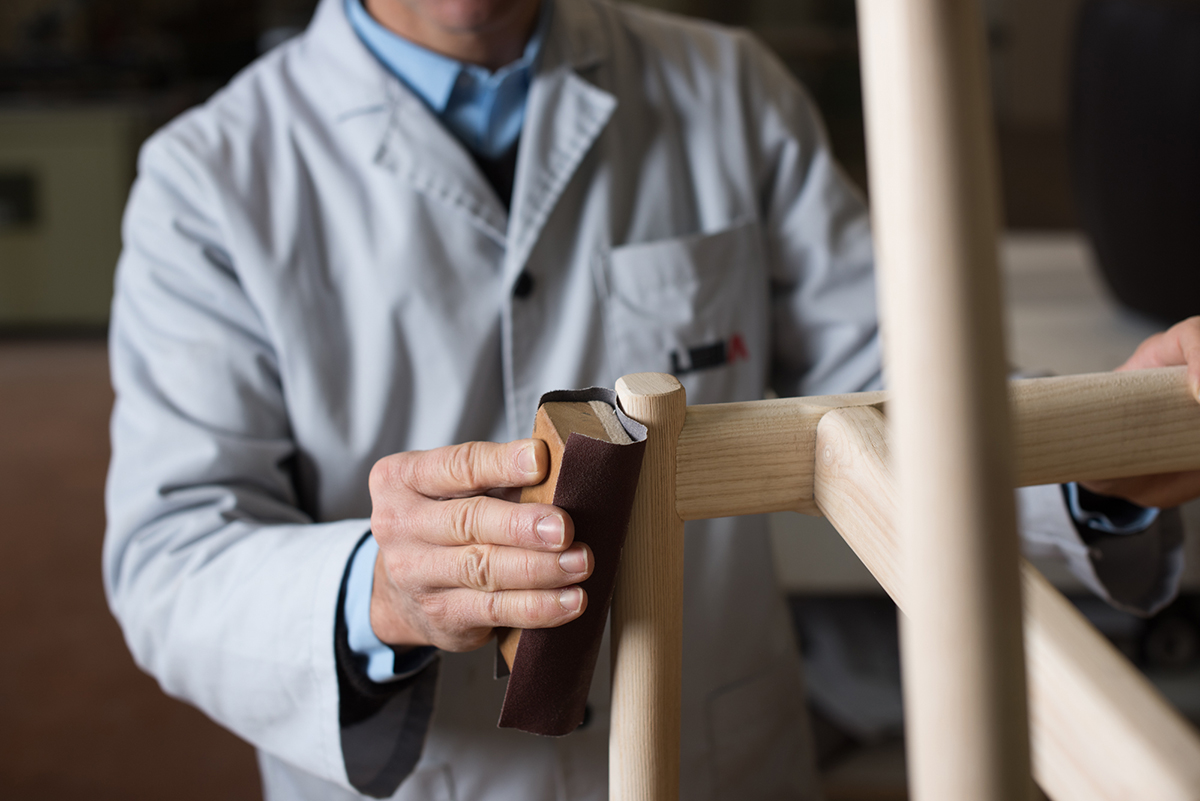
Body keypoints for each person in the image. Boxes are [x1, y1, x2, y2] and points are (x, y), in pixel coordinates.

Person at [102, 0, 1195, 797]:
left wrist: (1098, 450)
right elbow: (170, 555)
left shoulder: (731, 88)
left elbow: (905, 389)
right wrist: (377, 596)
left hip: (723, 759)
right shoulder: (206, 180)